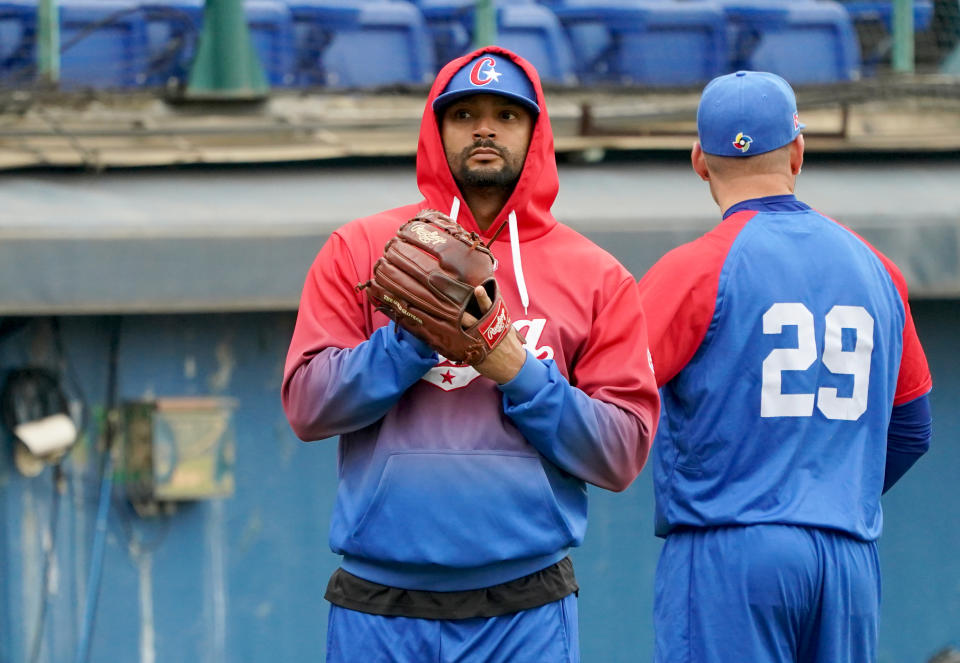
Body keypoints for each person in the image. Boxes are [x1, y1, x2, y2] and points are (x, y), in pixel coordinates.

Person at [281, 46, 660, 663]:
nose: (485, 128)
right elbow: (306, 406)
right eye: (464, 115)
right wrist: (411, 339)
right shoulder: (363, 249)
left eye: (507, 115)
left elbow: (622, 454)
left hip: (525, 606)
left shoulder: (597, 276)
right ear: (437, 132)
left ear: (537, 133)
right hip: (380, 602)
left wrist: (518, 372)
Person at [636, 70, 933, 663]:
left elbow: (608, 397)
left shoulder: (693, 268)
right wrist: (827, 496)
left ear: (699, 160)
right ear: (798, 150)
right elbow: (912, 430)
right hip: (846, 559)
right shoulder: (878, 268)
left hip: (731, 549)